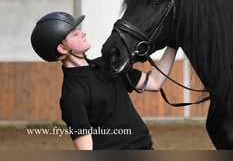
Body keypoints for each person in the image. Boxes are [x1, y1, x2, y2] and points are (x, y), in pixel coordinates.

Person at [30, 11, 177, 150]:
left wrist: (174, 43)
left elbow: (154, 82)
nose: (83, 33)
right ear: (62, 48)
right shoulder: (72, 95)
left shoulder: (107, 65)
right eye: (75, 33)